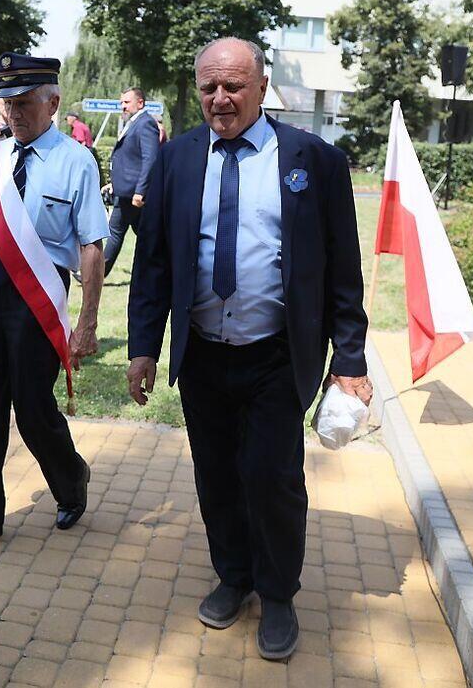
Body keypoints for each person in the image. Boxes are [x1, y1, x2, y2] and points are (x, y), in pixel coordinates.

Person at [126, 37, 371, 661]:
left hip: (276, 354)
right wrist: (143, 347)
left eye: (233, 86)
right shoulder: (176, 159)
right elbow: (153, 264)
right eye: (208, 87)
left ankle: (278, 592)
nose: (220, 98)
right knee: (215, 474)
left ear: (262, 87)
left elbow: (343, 272)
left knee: (272, 477)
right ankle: (234, 575)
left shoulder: (314, 161)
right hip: (203, 354)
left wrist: (349, 360)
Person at [0, 52, 109, 558]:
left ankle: (70, 479)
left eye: (25, 103)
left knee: (34, 410)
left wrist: (87, 322)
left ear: (52, 103)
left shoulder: (77, 160)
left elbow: (91, 246)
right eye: (7, 103)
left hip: (40, 293)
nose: (14, 113)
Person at [103, 87, 160, 276]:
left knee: (136, 234)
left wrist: (140, 191)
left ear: (140, 103)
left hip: (134, 195)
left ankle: (98, 273)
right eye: (121, 102)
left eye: (126, 102)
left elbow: (150, 159)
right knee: (125, 232)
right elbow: (127, 159)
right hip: (125, 191)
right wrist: (114, 183)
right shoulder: (133, 122)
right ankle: (98, 273)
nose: (123, 106)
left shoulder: (146, 123)